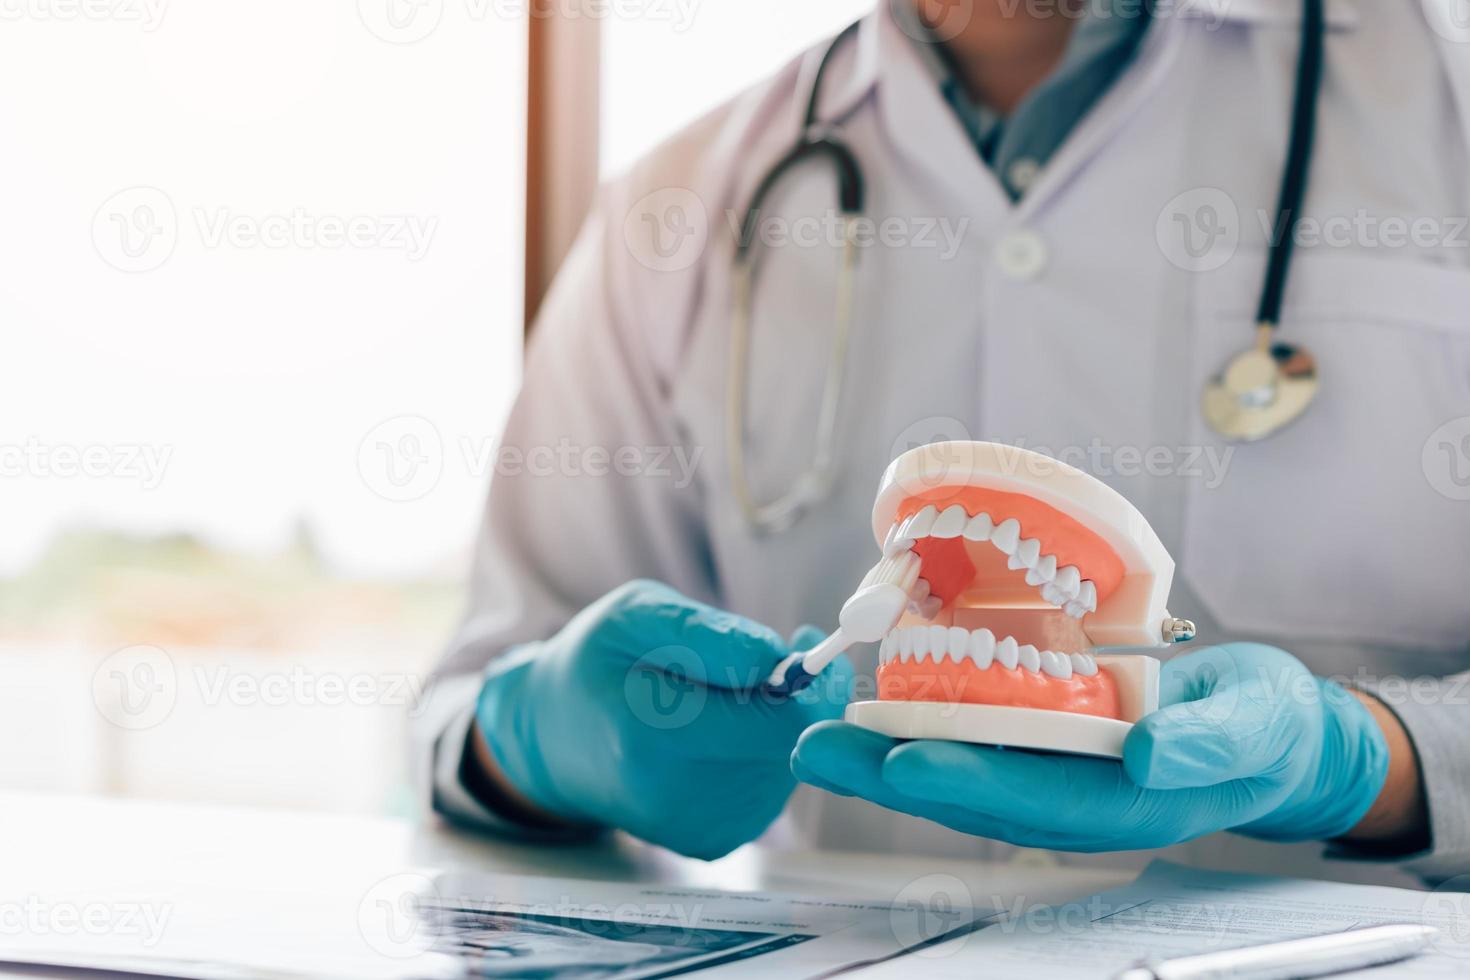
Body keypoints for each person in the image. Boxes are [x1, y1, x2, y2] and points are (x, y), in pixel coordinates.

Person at [415, 0, 1470, 887]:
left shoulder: (1443, 94)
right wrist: (532, 738)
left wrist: (1362, 756)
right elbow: (467, 706)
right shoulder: (678, 207)